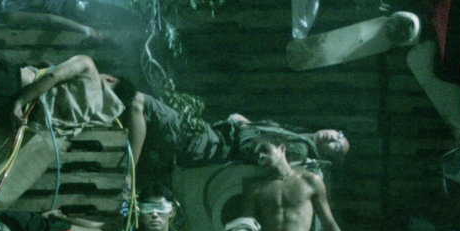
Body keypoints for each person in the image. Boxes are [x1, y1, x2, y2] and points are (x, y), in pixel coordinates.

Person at [122, 89, 349, 190]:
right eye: (338, 134)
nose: (333, 137)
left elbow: (255, 150)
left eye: (336, 145)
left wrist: (242, 127)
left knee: (139, 103)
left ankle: (128, 178)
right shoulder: (298, 134)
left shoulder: (300, 150)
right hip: (209, 135)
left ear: (329, 156)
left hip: (208, 144)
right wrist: (246, 123)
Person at [229, 137, 353, 231]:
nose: (261, 156)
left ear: (282, 148)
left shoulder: (310, 181)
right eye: (256, 154)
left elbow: (328, 223)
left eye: (265, 150)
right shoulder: (255, 188)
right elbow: (244, 226)